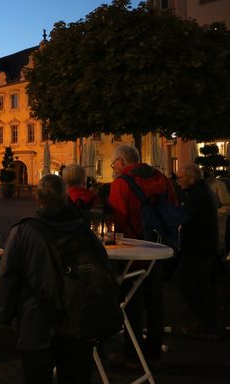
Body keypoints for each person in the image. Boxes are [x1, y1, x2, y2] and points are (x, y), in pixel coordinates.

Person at [0, 175, 94, 383]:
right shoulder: (83, 229)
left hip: (36, 318)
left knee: (37, 376)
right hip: (77, 316)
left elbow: (7, 276)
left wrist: (4, 313)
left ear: (38, 198)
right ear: (65, 196)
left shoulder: (23, 230)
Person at [108, 143, 177, 366]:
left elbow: (118, 220)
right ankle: (154, 349)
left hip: (133, 251)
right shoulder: (162, 179)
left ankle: (132, 355)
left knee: (132, 303)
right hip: (158, 249)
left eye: (114, 163)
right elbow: (173, 209)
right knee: (156, 299)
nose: (114, 167)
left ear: (122, 162)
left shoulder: (121, 183)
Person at [175, 163, 220, 335]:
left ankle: (204, 321)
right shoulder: (200, 192)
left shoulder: (197, 195)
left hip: (198, 248)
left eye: (180, 177)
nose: (178, 181)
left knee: (184, 281)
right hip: (204, 246)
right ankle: (207, 322)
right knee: (202, 285)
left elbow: (183, 216)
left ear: (191, 178)